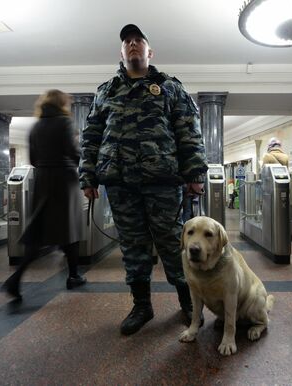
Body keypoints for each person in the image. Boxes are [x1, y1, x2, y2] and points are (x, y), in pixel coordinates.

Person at [79, 24, 208, 335]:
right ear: (121, 53)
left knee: (172, 242)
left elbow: (188, 131)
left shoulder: (170, 88)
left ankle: (188, 302)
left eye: (139, 41)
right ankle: (142, 305)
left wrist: (194, 173)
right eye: (127, 42)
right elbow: (91, 136)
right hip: (119, 181)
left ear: (150, 52)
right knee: (132, 246)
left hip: (162, 180)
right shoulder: (105, 91)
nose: (133, 45)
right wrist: (87, 175)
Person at [2, 90, 86, 300]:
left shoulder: (36, 126)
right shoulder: (65, 123)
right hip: (64, 180)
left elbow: (32, 158)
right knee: (70, 229)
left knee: (39, 232)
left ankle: (16, 278)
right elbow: (73, 153)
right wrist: (83, 162)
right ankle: (73, 275)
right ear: (61, 103)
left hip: (42, 180)